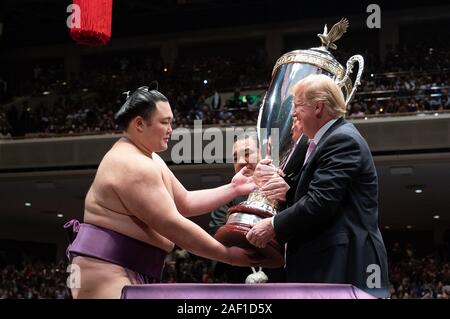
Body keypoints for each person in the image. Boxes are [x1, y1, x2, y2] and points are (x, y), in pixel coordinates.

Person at [65, 86, 263, 299]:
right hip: (106, 269)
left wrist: (233, 188)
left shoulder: (149, 157)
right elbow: (172, 225)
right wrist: (228, 256)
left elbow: (184, 201)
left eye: (171, 122)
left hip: (129, 266)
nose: (171, 129)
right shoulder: (131, 163)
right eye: (164, 122)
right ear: (139, 124)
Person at [246, 74, 389, 298]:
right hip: (327, 257)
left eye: (297, 105)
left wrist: (273, 225)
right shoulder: (324, 141)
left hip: (346, 259)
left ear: (318, 107)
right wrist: (287, 192)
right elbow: (321, 194)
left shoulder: (342, 140)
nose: (292, 113)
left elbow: (321, 202)